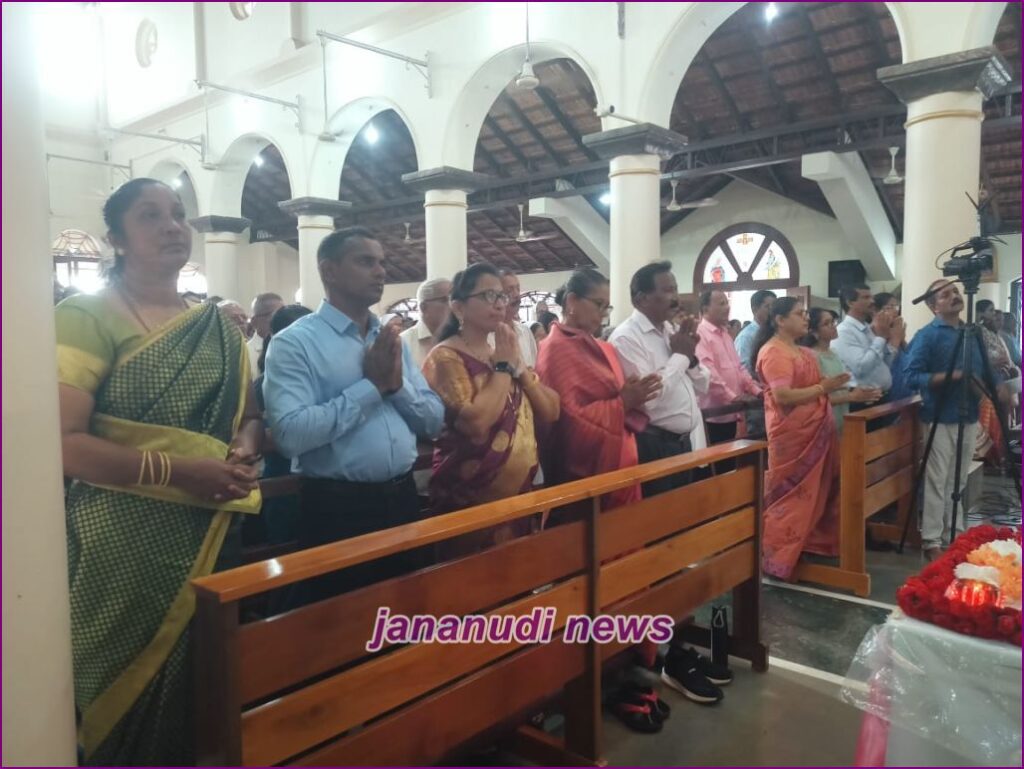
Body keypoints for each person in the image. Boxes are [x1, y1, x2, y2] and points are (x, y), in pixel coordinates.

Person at [56, 178, 263, 765]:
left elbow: (250, 417)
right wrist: (181, 472)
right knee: (120, 685)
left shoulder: (218, 329)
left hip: (212, 529)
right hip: (119, 540)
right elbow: (64, 443)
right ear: (116, 239)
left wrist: (244, 448)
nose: (172, 226)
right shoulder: (84, 316)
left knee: (206, 688)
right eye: (150, 216)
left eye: (177, 213)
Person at [262, 227, 444, 595]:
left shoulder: (389, 340)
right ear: (329, 271)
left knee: (408, 608)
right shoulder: (295, 343)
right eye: (365, 262)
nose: (380, 272)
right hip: (338, 508)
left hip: (403, 496)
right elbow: (290, 435)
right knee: (344, 615)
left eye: (381, 262)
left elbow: (434, 420)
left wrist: (396, 387)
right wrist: (371, 388)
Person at [423, 263, 559, 551]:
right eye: (488, 296)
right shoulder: (445, 357)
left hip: (518, 497)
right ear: (459, 307)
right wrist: (503, 367)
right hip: (470, 499)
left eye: (501, 296)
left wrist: (519, 371)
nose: (499, 304)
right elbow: (476, 423)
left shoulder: (502, 351)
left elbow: (551, 411)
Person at [751, 297, 880, 580]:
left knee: (822, 489)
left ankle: (809, 545)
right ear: (780, 320)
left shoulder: (805, 353)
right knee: (791, 496)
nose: (805, 318)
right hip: (792, 435)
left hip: (818, 429)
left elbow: (818, 388)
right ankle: (776, 556)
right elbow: (783, 396)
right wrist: (825, 387)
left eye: (806, 313)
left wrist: (835, 388)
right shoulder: (773, 352)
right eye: (799, 314)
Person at [536, 268, 660, 511]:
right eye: (598, 305)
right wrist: (623, 402)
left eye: (607, 307)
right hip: (587, 481)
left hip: (621, 466)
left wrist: (630, 394)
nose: (603, 314)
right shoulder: (556, 349)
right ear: (572, 301)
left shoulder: (595, 345)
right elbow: (569, 419)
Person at [609, 261, 710, 497]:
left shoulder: (670, 330)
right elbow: (649, 399)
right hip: (654, 444)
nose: (675, 298)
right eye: (667, 291)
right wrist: (681, 356)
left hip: (683, 443)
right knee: (660, 515)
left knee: (684, 514)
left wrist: (690, 359)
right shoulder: (626, 338)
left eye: (675, 289)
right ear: (641, 299)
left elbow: (704, 384)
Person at [905, 280, 987, 560]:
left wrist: (994, 387)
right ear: (933, 306)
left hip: (969, 415)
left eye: (955, 291)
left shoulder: (972, 333)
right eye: (945, 295)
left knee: (958, 480)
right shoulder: (927, 336)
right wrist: (950, 376)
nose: (954, 296)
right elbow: (911, 376)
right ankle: (931, 539)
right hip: (939, 417)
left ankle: (956, 533)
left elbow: (982, 370)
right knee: (937, 480)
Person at [696, 289, 762, 454]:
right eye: (721, 304)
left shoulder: (725, 334)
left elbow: (739, 368)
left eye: (727, 303)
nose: (727, 307)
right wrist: (734, 397)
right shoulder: (700, 334)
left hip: (732, 411)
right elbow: (708, 373)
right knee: (715, 463)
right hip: (712, 414)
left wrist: (757, 391)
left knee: (730, 460)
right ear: (705, 309)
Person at [832, 284, 906, 401]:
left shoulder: (868, 328)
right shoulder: (844, 331)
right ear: (850, 303)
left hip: (882, 396)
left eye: (871, 297)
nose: (872, 301)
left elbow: (885, 364)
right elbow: (861, 368)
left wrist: (894, 341)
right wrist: (880, 337)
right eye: (866, 297)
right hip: (864, 400)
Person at [798, 309, 848, 434]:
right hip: (824, 417)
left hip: (842, 412)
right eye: (826, 324)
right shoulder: (813, 356)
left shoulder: (834, 352)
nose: (833, 326)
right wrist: (852, 397)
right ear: (814, 332)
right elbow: (817, 396)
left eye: (833, 321)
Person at [400, 277, 452, 369]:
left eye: (454, 299)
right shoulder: (403, 342)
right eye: (445, 300)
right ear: (424, 307)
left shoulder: (462, 339)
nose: (452, 305)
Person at [497, 268, 539, 367]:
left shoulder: (526, 332)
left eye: (518, 289)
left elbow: (535, 368)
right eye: (510, 290)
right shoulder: (489, 335)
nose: (516, 295)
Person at [735, 289, 776, 374]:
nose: (772, 311)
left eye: (774, 307)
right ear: (754, 310)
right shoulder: (746, 337)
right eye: (767, 307)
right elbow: (744, 369)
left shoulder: (776, 332)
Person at [247, 292, 284, 379]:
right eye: (275, 315)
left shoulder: (291, 347)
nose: (282, 319)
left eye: (283, 313)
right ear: (254, 321)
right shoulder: (246, 353)